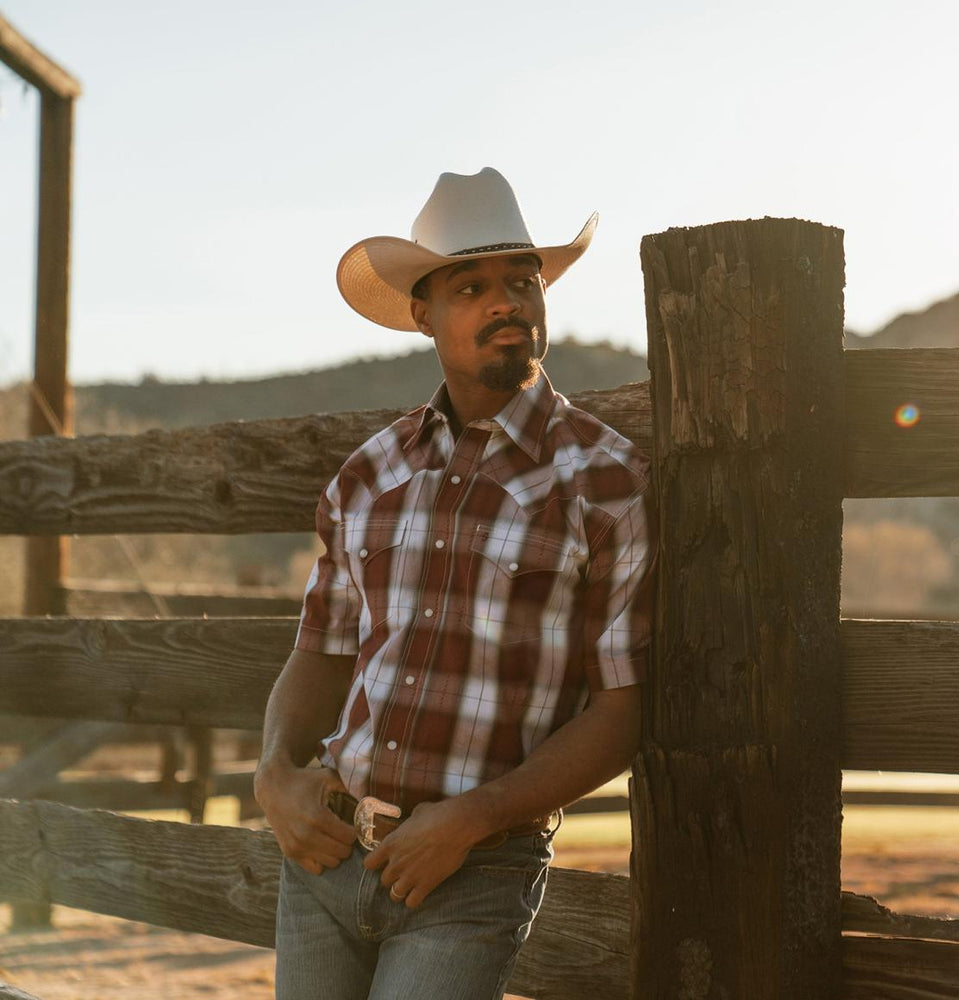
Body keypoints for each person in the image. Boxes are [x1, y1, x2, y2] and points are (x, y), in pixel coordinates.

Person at [254, 167, 654, 1000]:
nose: (506, 302)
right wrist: (271, 775)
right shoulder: (369, 473)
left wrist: (472, 820)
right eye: (472, 286)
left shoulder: (606, 481)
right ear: (423, 313)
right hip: (327, 851)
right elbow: (321, 653)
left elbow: (622, 713)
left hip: (472, 867)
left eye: (522, 280)